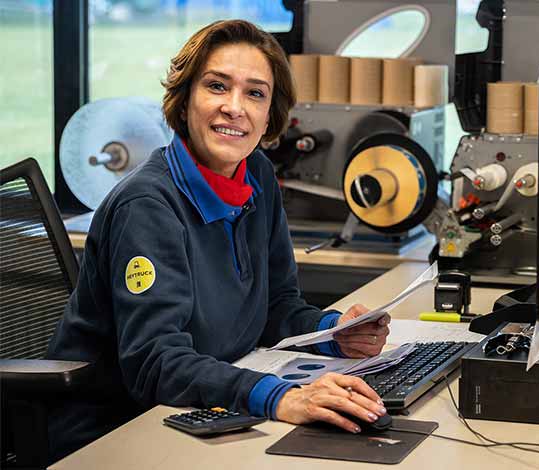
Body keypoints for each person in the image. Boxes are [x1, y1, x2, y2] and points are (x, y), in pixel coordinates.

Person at [46, 19, 390, 462]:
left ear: (270, 114)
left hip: (201, 410)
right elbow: (156, 363)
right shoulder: (148, 206)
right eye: (216, 86)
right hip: (113, 433)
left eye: (255, 93)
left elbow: (275, 308)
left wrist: (335, 334)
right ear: (185, 98)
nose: (235, 107)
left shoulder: (258, 176)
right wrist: (282, 397)